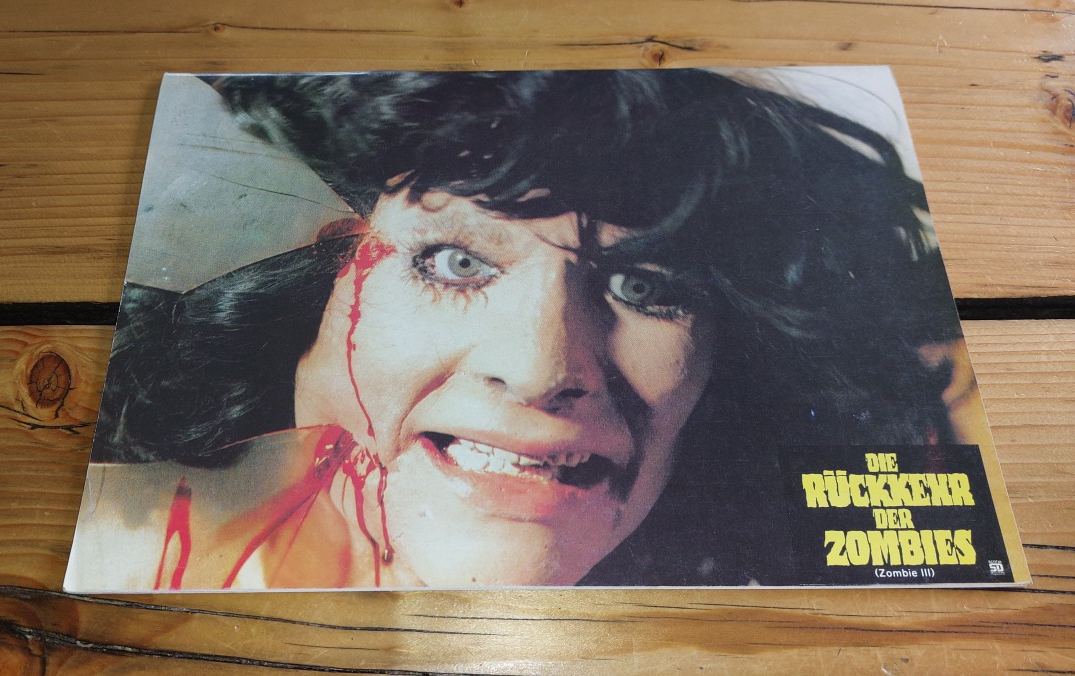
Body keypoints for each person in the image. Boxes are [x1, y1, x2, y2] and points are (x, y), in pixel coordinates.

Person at [70, 69, 964, 590]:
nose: (541, 369)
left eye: (646, 285)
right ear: (337, 273)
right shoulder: (110, 526)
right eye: (455, 263)